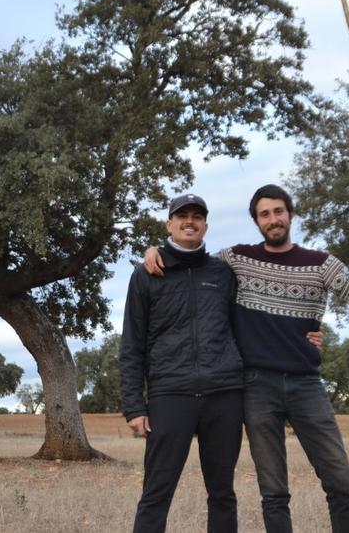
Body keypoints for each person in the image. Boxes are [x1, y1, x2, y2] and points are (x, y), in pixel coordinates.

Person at [144, 184, 349, 533]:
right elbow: (191, 259)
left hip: (306, 385)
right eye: (264, 214)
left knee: (339, 479)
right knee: (273, 491)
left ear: (290, 214)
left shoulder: (321, 265)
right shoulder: (237, 260)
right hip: (256, 387)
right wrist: (155, 251)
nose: (273, 219)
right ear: (256, 221)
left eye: (279, 211)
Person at [120, 193, 245, 533]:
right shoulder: (147, 273)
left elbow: (244, 329)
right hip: (169, 394)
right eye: (182, 216)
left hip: (224, 394)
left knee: (222, 493)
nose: (190, 221)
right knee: (156, 492)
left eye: (197, 216)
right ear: (169, 224)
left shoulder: (222, 272)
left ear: (206, 225)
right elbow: (132, 342)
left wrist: (308, 334)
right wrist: (134, 405)